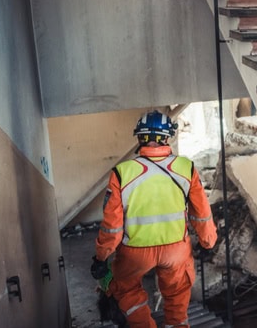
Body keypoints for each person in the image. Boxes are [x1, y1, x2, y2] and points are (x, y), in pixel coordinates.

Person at [90, 110, 218, 328]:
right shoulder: (186, 168)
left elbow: (112, 226)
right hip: (176, 250)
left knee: (127, 289)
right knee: (177, 295)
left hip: (134, 251)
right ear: (168, 137)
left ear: (139, 137)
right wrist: (208, 242)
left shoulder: (122, 172)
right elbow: (201, 213)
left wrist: (102, 257)